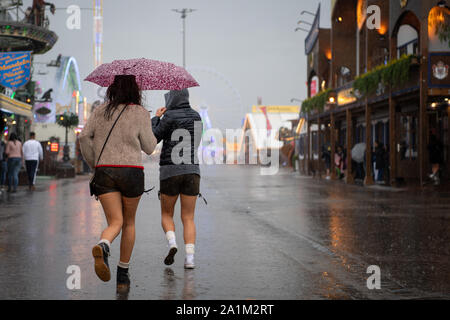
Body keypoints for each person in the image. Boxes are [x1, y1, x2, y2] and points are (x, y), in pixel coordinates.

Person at [79, 75, 157, 289]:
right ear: (135, 91)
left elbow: (84, 137)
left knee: (115, 222)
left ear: (112, 88)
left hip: (105, 171)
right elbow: (150, 147)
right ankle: (123, 274)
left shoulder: (100, 110)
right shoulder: (140, 112)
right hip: (131, 172)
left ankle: (103, 244)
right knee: (129, 223)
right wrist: (153, 122)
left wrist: (95, 162)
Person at [152, 89, 203, 269]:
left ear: (171, 98)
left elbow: (154, 138)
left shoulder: (169, 116)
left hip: (169, 171)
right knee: (188, 217)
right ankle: (190, 259)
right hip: (191, 170)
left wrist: (156, 118)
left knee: (167, 214)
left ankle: (172, 243)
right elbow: (196, 142)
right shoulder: (197, 116)